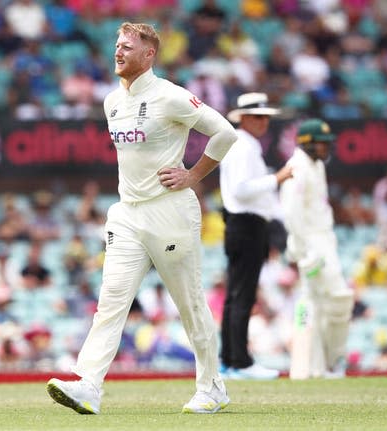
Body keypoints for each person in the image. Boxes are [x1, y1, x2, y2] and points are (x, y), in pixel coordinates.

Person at [46, 22, 238, 415]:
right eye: (117, 45)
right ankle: (89, 386)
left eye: (127, 47)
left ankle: (212, 386)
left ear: (149, 54)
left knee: (189, 303)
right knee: (112, 299)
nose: (118, 52)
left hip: (169, 210)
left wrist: (193, 175)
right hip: (127, 213)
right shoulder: (111, 102)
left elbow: (224, 132)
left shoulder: (170, 96)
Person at [219, 92, 293, 379]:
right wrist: (277, 178)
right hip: (244, 224)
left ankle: (231, 360)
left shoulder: (246, 146)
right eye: (259, 117)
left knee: (238, 294)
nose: (264, 122)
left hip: (247, 224)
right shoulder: (242, 146)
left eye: (266, 117)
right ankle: (238, 362)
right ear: (245, 118)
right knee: (242, 295)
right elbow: (241, 189)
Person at [280, 118, 354, 379]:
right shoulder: (297, 167)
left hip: (325, 240)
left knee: (321, 303)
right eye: (322, 144)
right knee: (336, 297)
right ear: (307, 144)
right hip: (313, 245)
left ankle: (317, 367)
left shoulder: (316, 165)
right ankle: (332, 361)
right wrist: (304, 251)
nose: (327, 148)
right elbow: (290, 212)